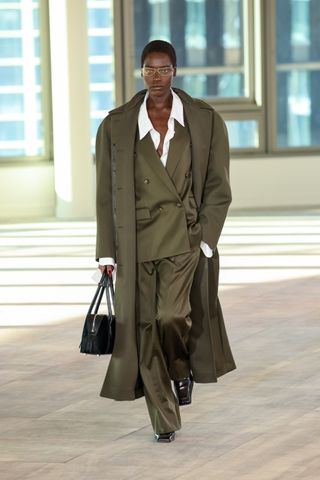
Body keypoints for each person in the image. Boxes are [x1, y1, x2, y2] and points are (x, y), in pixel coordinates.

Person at [95, 40, 236, 443]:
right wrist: (106, 250)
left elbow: (218, 186)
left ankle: (180, 369)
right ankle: (165, 419)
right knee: (143, 327)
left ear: (175, 72)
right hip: (135, 242)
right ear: (141, 72)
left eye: (164, 69)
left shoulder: (205, 121)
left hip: (184, 239)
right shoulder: (116, 125)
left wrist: (205, 240)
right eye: (148, 69)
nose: (156, 77)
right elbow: (104, 193)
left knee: (171, 317)